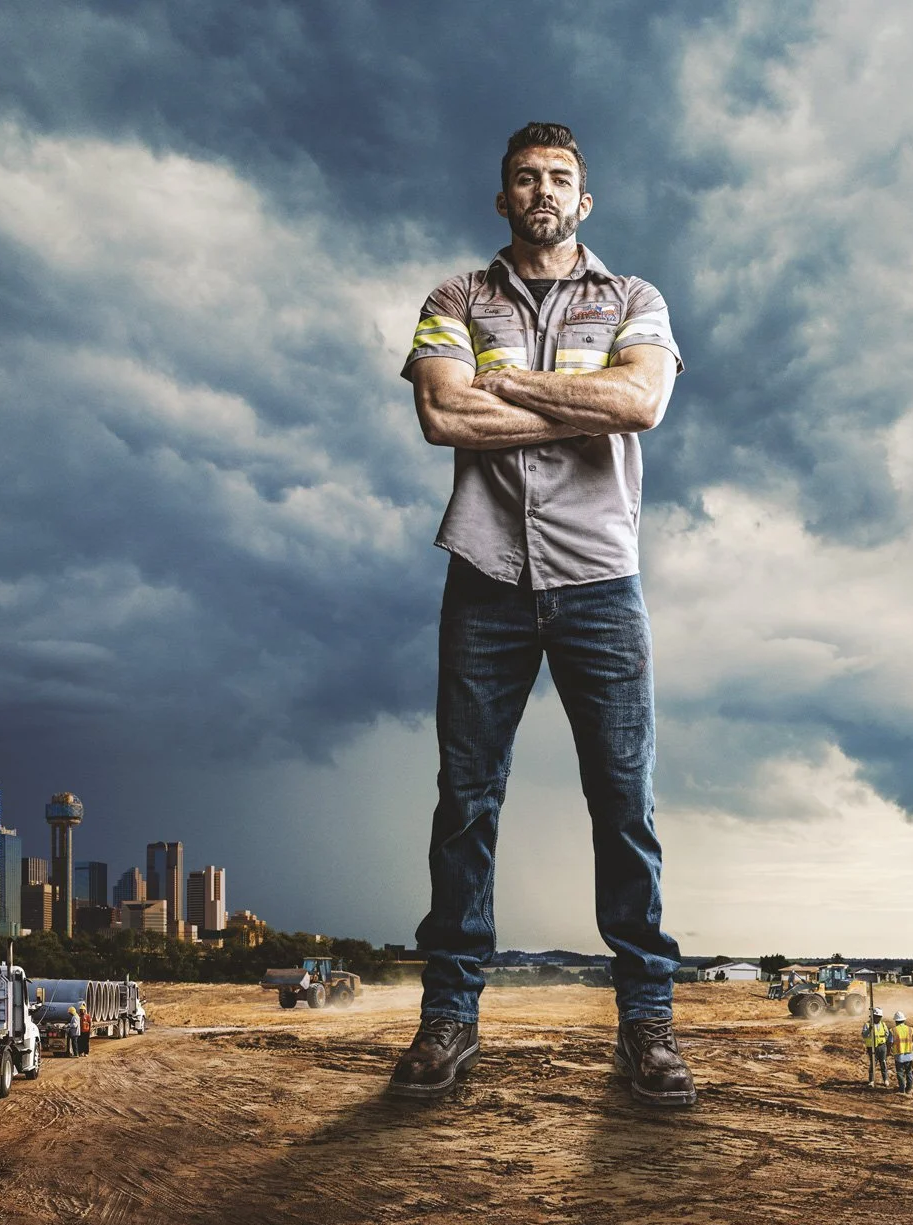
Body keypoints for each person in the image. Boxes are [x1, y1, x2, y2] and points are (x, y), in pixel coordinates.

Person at [391, 122, 689, 1107]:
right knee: (466, 802)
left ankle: (646, 1024)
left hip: (601, 579)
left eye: (560, 177)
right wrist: (580, 401)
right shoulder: (454, 300)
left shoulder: (634, 299)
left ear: (583, 200)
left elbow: (641, 403)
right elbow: (444, 414)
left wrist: (511, 383)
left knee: (624, 802)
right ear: (503, 197)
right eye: (526, 177)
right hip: (486, 577)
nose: (543, 190)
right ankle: (449, 1016)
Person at [890, 1010, 913, 1093]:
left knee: (900, 1072)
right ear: (904, 1020)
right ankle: (909, 1089)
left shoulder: (893, 1030)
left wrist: (888, 1051)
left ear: (896, 1021)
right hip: (909, 1055)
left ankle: (902, 1089)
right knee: (909, 1072)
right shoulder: (910, 1029)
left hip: (899, 1055)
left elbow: (890, 1042)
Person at [862, 1008, 890, 1086]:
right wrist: (869, 1029)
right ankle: (871, 1080)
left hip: (882, 1047)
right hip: (872, 1048)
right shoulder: (867, 1024)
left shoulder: (883, 1024)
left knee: (883, 1063)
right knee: (873, 1064)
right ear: (873, 1016)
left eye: (880, 1017)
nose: (878, 1018)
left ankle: (885, 1079)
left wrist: (883, 1041)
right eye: (877, 1016)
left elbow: (887, 1034)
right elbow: (864, 1035)